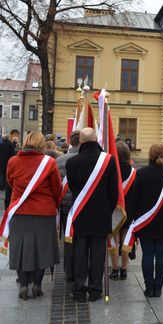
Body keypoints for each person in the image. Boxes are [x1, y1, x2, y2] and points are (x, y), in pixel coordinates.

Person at [4, 131, 62, 300]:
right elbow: (56, 188)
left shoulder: (13, 161)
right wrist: (55, 204)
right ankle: (37, 285)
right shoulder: (49, 162)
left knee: (20, 249)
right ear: (41, 144)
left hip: (19, 211)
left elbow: (10, 182)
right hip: (44, 212)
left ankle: (23, 285)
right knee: (42, 249)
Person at [65, 128, 119, 302]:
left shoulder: (72, 162)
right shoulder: (109, 160)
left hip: (80, 214)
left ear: (80, 141)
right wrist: (106, 209)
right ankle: (95, 290)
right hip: (101, 214)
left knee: (79, 254)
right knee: (97, 255)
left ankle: (79, 290)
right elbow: (114, 192)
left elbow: (72, 188)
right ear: (97, 140)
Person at [128, 144, 163, 297]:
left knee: (148, 255)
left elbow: (134, 200)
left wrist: (132, 220)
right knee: (162, 255)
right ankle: (158, 289)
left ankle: (149, 288)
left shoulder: (141, 173)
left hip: (145, 222)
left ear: (149, 155)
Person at [109, 141, 137, 281]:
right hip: (129, 211)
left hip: (114, 210)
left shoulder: (111, 170)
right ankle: (124, 270)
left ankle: (114, 270)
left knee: (114, 241)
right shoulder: (134, 172)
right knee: (126, 242)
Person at [55, 129, 80, 282]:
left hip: (65, 205)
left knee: (68, 239)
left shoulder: (59, 160)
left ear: (70, 142)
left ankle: (68, 271)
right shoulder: (90, 159)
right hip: (82, 205)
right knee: (82, 240)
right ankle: (81, 269)